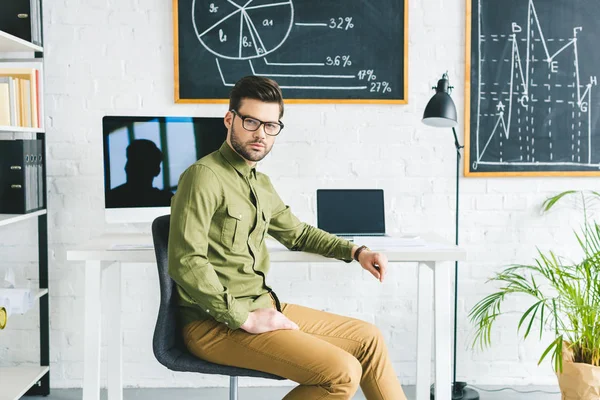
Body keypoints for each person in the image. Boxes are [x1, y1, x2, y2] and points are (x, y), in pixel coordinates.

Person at [168, 76, 407, 400]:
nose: (260, 134)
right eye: (251, 122)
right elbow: (186, 261)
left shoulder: (260, 183)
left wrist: (356, 251)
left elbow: (297, 234)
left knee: (369, 339)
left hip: (263, 304)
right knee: (342, 373)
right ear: (230, 119)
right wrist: (244, 318)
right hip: (214, 324)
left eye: (270, 126)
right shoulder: (203, 176)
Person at [106, 139, 173, 208]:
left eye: (139, 164)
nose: (127, 167)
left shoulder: (112, 198)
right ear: (157, 170)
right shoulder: (165, 199)